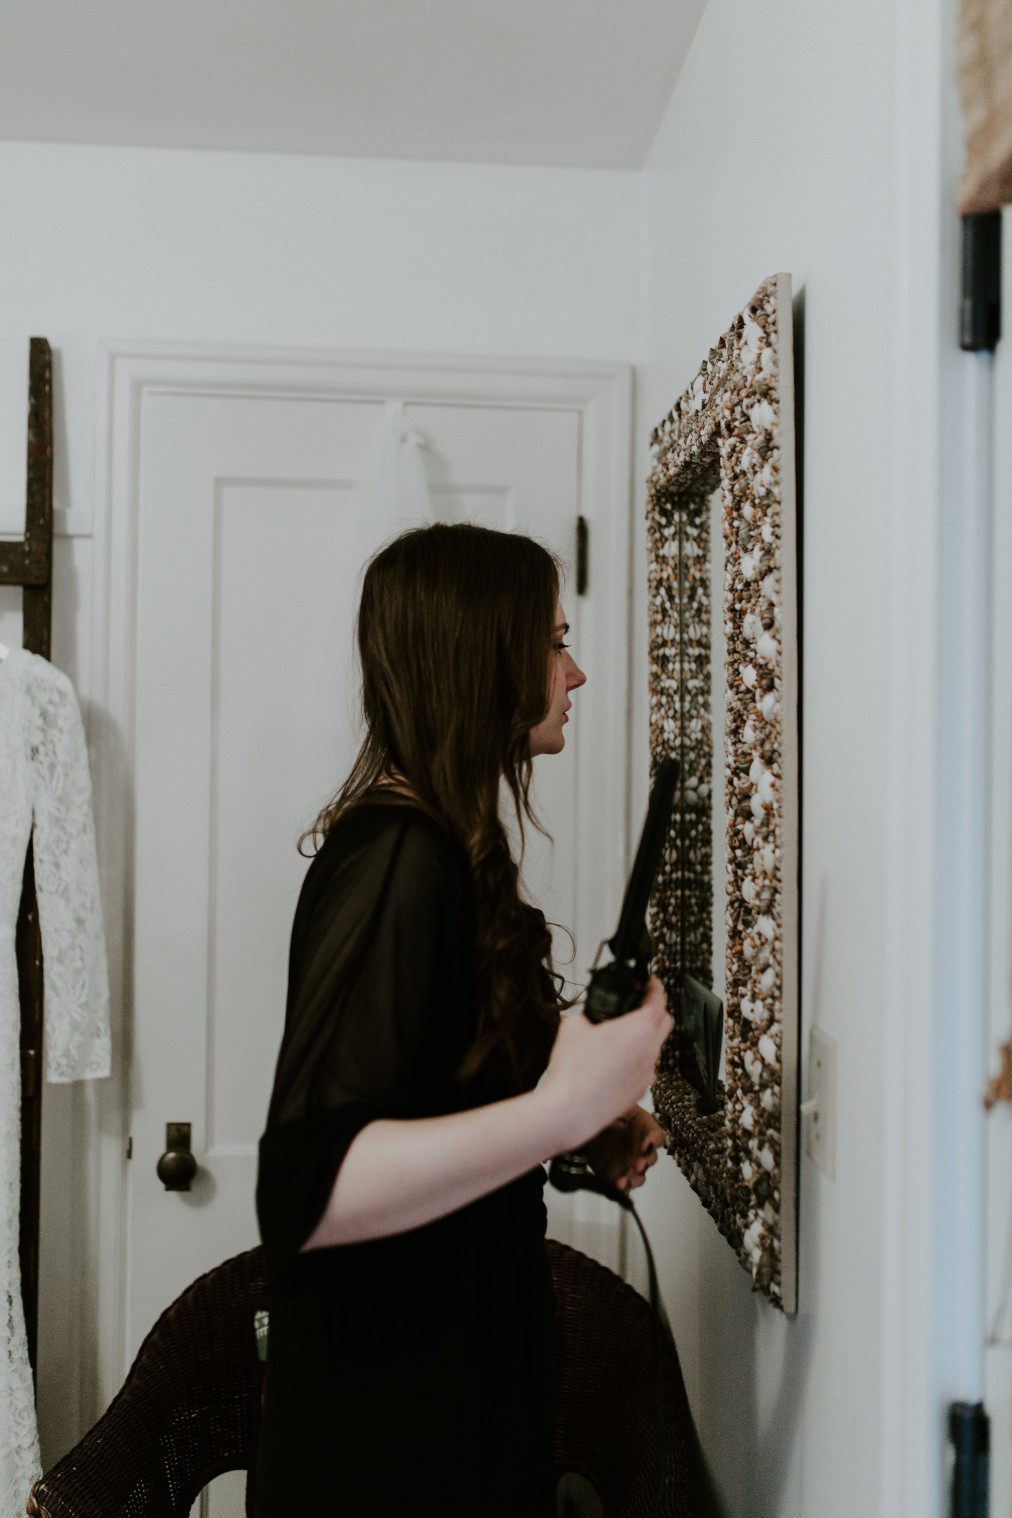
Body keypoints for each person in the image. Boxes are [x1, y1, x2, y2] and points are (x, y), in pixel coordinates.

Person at [254, 523, 672, 1518]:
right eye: (553, 643)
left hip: (463, 1382)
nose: (575, 674)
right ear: (483, 658)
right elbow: (307, 1195)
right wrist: (559, 1112)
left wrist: (577, 1135)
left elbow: (427, 1102)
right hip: (389, 1428)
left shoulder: (446, 846)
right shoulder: (398, 859)